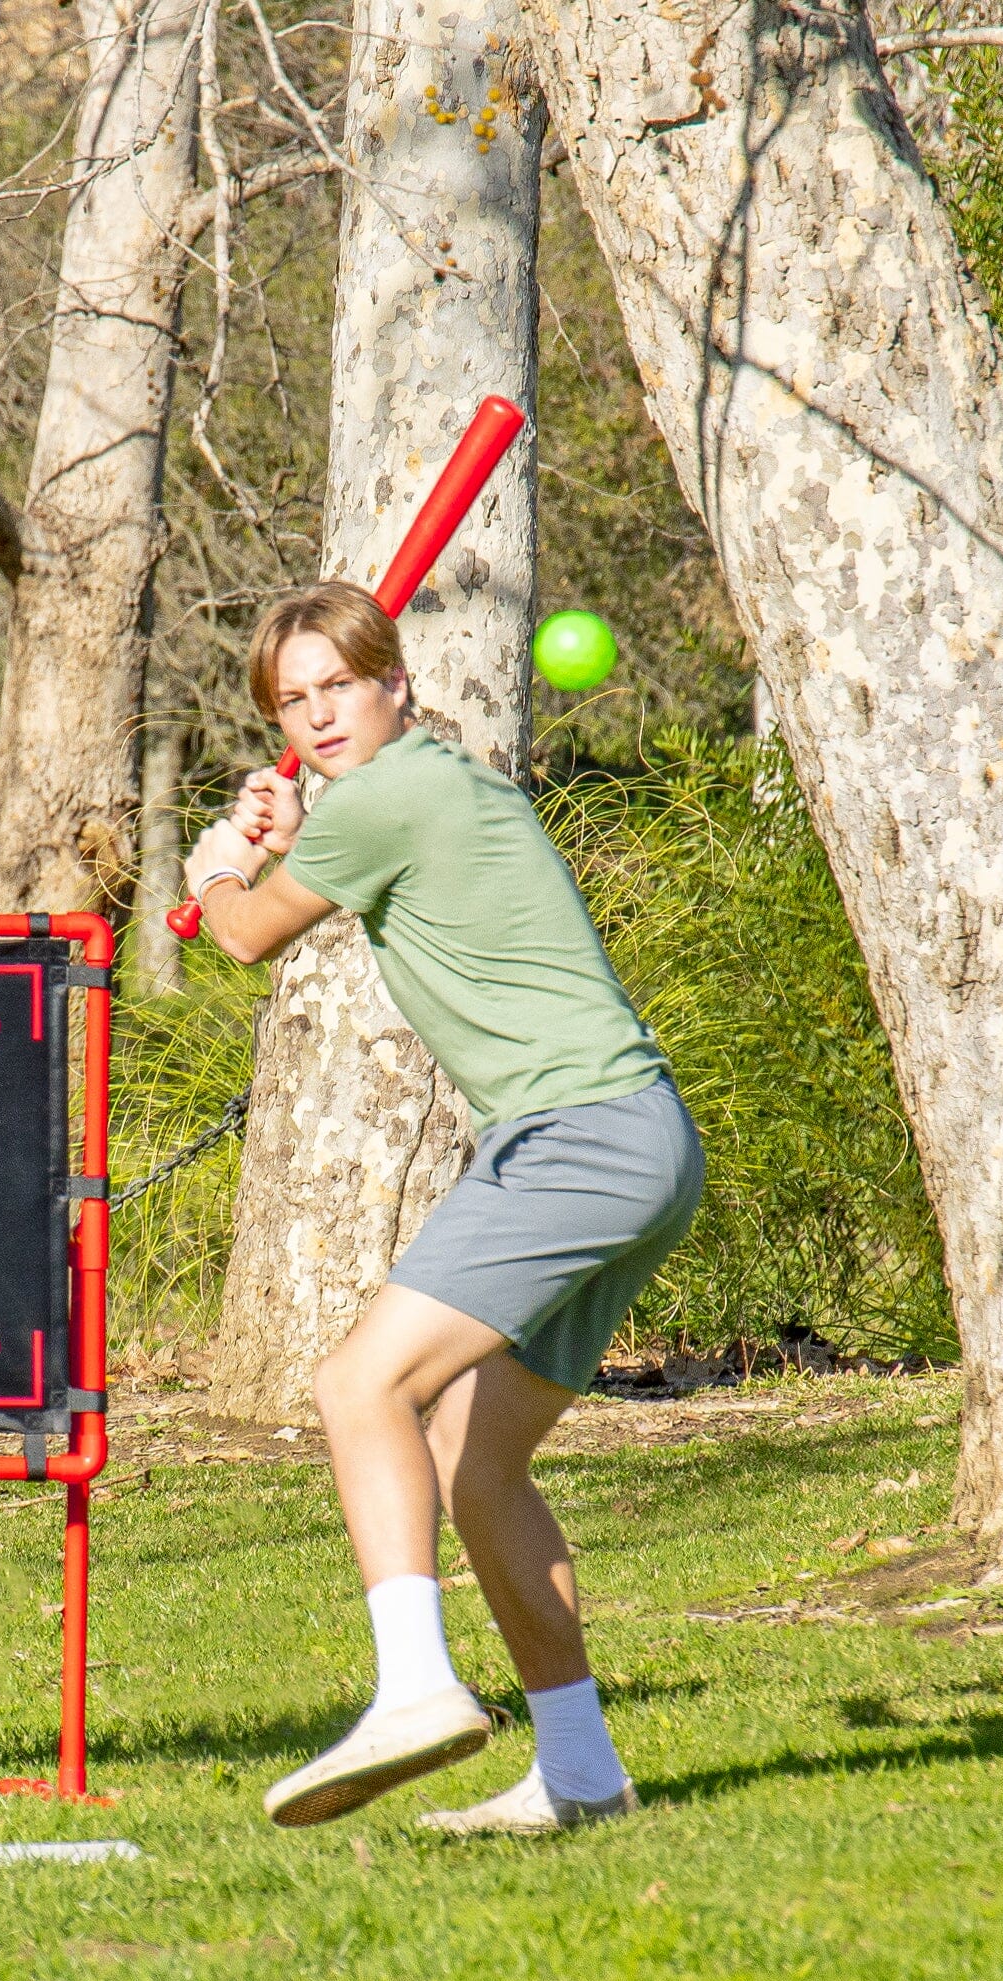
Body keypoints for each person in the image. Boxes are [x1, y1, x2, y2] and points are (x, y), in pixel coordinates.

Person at [182, 582, 702, 1836]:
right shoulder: (426, 787)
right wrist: (295, 829)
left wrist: (218, 860)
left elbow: (247, 933)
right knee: (475, 1463)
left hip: (577, 1135)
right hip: (640, 1140)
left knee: (361, 1388)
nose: (317, 718)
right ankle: (579, 1770)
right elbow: (331, 865)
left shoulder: (388, 794)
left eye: (338, 689)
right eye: (291, 703)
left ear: (395, 685)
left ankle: (415, 1687)